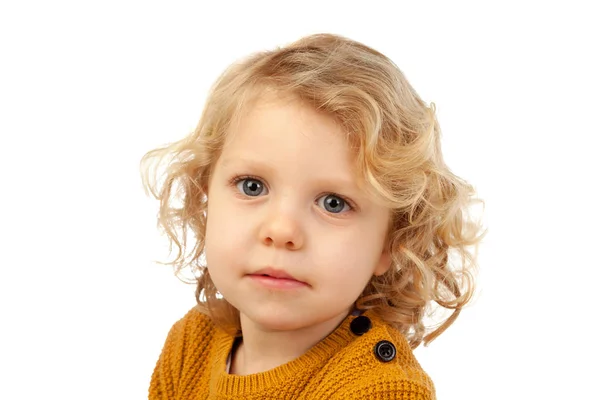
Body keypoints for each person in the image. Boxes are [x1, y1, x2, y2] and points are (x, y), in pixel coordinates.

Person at [141, 33, 484, 399]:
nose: (281, 230)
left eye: (333, 203)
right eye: (252, 186)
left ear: (391, 242)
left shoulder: (380, 390)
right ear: (204, 195)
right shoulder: (192, 341)